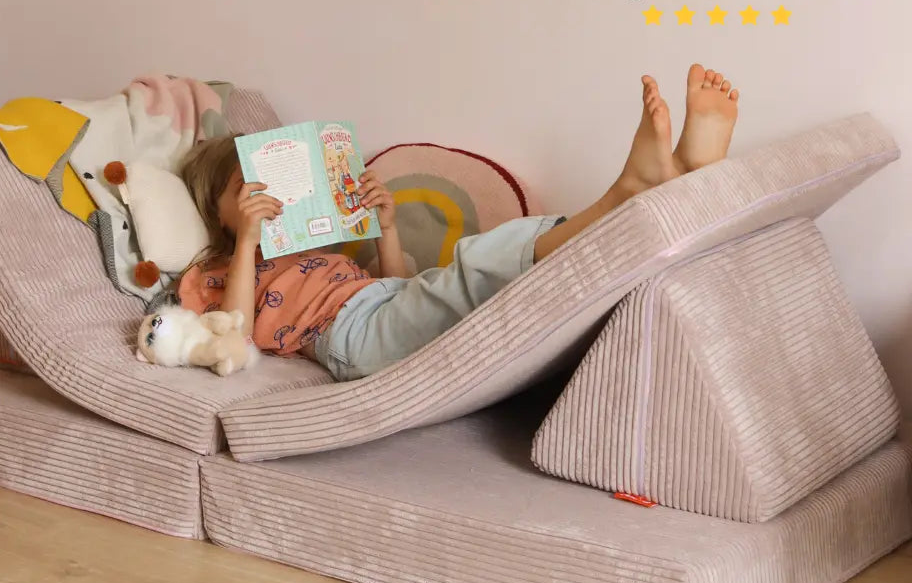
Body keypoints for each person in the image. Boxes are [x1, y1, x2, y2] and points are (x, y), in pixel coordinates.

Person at [179, 64, 740, 381]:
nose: (267, 194)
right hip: (355, 340)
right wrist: (248, 242)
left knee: (483, 277)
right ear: (216, 213)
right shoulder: (215, 274)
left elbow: (393, 287)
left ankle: (679, 184)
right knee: (480, 268)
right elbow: (237, 333)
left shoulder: (313, 248)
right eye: (246, 186)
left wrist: (386, 228)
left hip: (388, 303)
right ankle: (628, 195)